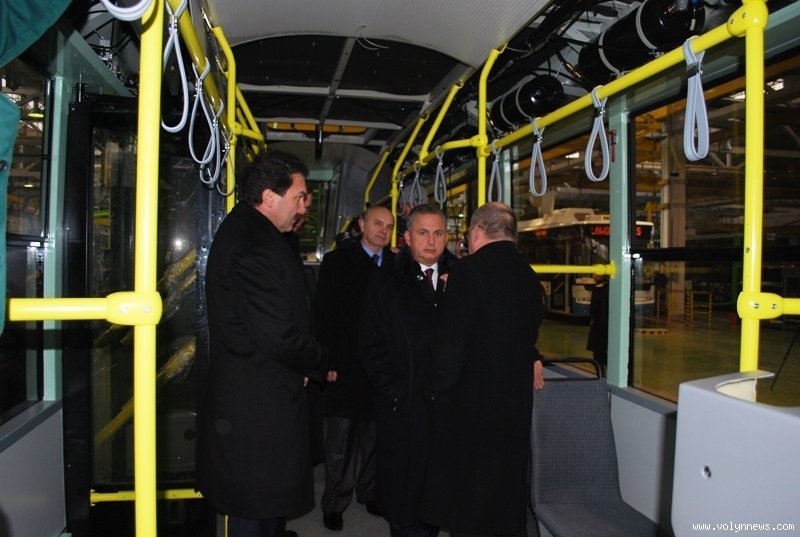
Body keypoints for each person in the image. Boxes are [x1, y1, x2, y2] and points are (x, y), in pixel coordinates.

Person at [197, 150, 328, 537]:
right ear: (270, 197)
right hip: (255, 407)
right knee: (252, 508)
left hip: (262, 397)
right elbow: (278, 334)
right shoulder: (253, 245)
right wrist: (320, 360)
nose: (303, 207)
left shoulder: (256, 234)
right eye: (299, 197)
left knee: (265, 504)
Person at [420, 202, 544, 537]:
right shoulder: (530, 278)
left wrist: (433, 393)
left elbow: (450, 346)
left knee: (470, 503)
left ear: (476, 231)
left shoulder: (467, 273)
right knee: (505, 498)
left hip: (471, 409)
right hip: (514, 408)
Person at [359, 204, 457, 537]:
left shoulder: (462, 279)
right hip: (404, 408)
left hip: (447, 412)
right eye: (423, 233)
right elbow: (369, 344)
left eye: (438, 233)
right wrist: (393, 393)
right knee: (405, 505)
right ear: (407, 238)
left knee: (436, 501)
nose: (431, 241)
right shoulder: (387, 279)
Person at [316, 205, 396, 531]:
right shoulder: (337, 262)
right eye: (377, 223)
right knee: (340, 442)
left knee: (375, 438)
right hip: (345, 365)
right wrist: (327, 362)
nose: (383, 230)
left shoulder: (396, 265)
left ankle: (369, 491)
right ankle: (335, 502)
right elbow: (323, 315)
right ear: (362, 224)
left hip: (381, 368)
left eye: (389, 226)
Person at [587, 275, 609, 371]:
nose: (593, 276)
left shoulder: (602, 290)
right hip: (599, 326)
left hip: (600, 327)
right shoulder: (600, 289)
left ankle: (601, 373)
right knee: (599, 354)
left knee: (599, 354)